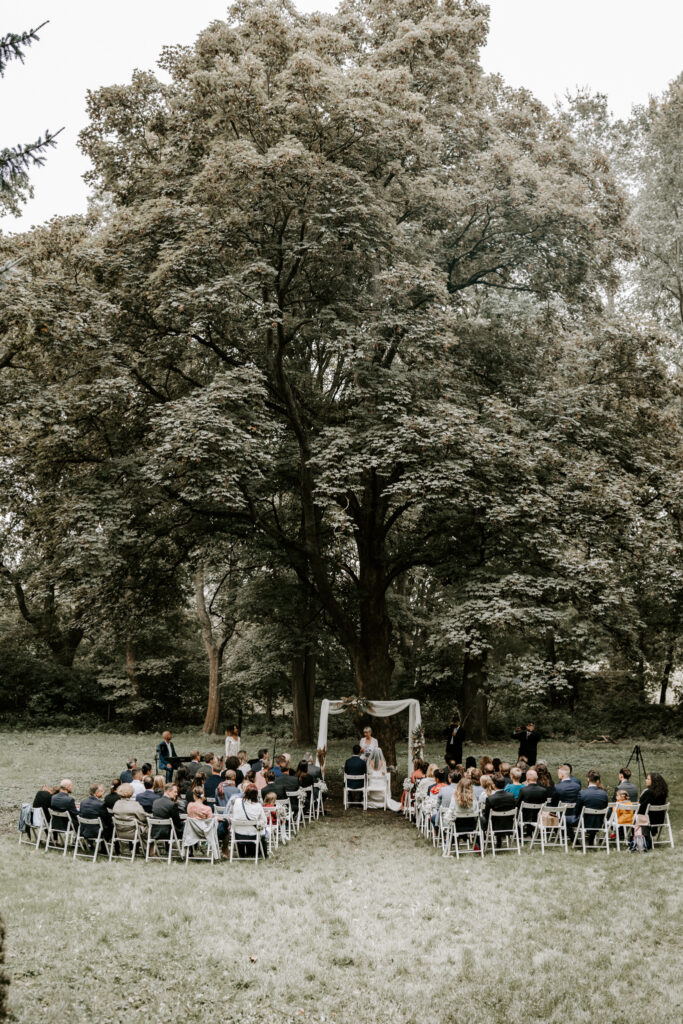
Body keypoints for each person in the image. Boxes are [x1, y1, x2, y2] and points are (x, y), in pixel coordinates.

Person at [567, 770, 609, 843]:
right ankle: (591, 841)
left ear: (588, 779)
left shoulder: (582, 793)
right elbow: (605, 807)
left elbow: (577, 810)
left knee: (564, 820)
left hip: (584, 822)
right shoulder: (604, 794)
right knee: (594, 818)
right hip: (599, 822)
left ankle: (576, 842)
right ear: (598, 780)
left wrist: (576, 815)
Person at [230, 785, 268, 858]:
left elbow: (233, 814)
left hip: (238, 834)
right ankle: (262, 854)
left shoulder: (237, 801)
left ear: (245, 793)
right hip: (253, 836)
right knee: (263, 831)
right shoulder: (258, 806)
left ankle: (242, 854)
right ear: (256, 795)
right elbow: (264, 821)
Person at [481, 775, 517, 843]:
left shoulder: (490, 799)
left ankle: (483, 839)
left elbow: (487, 815)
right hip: (509, 824)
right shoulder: (511, 796)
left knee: (483, 818)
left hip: (495, 826)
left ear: (494, 785)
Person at [637, 772, 669, 847]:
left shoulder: (648, 793)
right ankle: (652, 832)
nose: (646, 780)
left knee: (634, 816)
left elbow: (642, 807)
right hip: (659, 819)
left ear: (654, 782)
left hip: (648, 820)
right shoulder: (663, 793)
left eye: (648, 779)